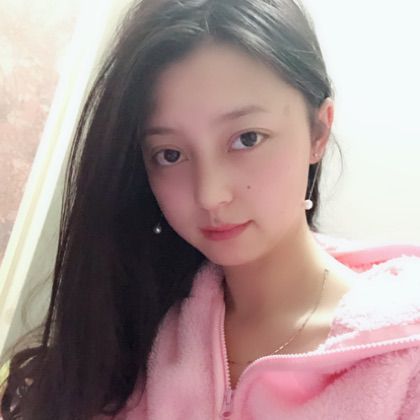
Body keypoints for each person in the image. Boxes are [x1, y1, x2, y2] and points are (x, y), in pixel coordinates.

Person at [1, 0, 420, 418]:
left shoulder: (402, 358)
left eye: (247, 138)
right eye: (170, 154)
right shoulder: (130, 329)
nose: (209, 195)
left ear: (318, 131)